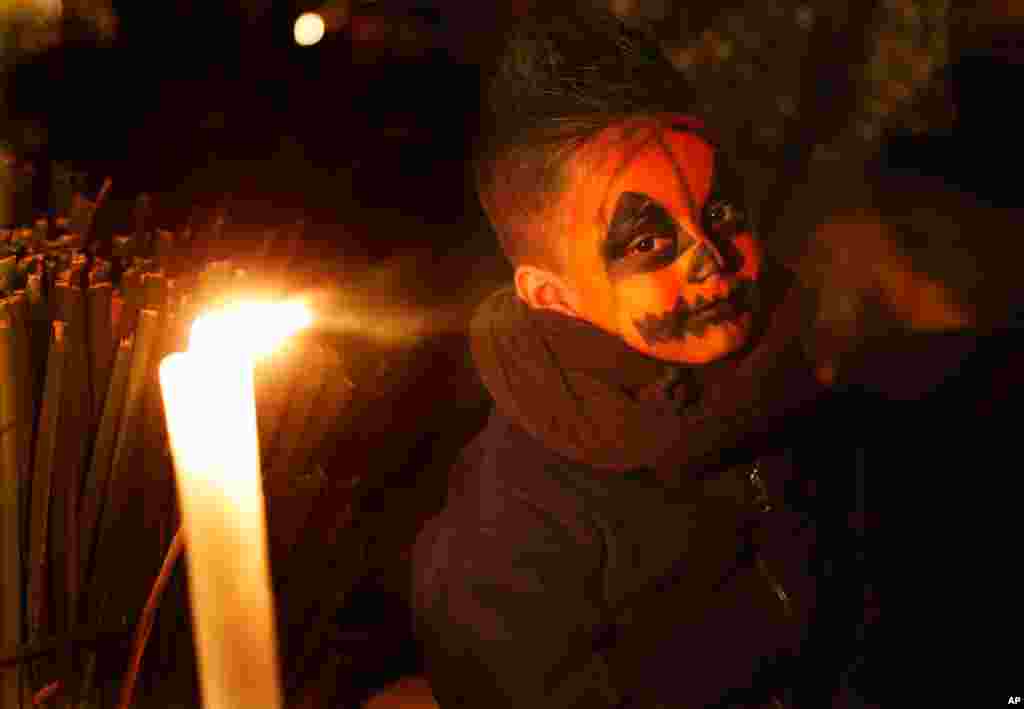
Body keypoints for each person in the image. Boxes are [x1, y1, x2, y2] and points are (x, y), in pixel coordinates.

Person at [410, 5, 983, 707]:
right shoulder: (510, 535)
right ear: (550, 295)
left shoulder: (814, 392)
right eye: (649, 244)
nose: (710, 260)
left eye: (719, 215)